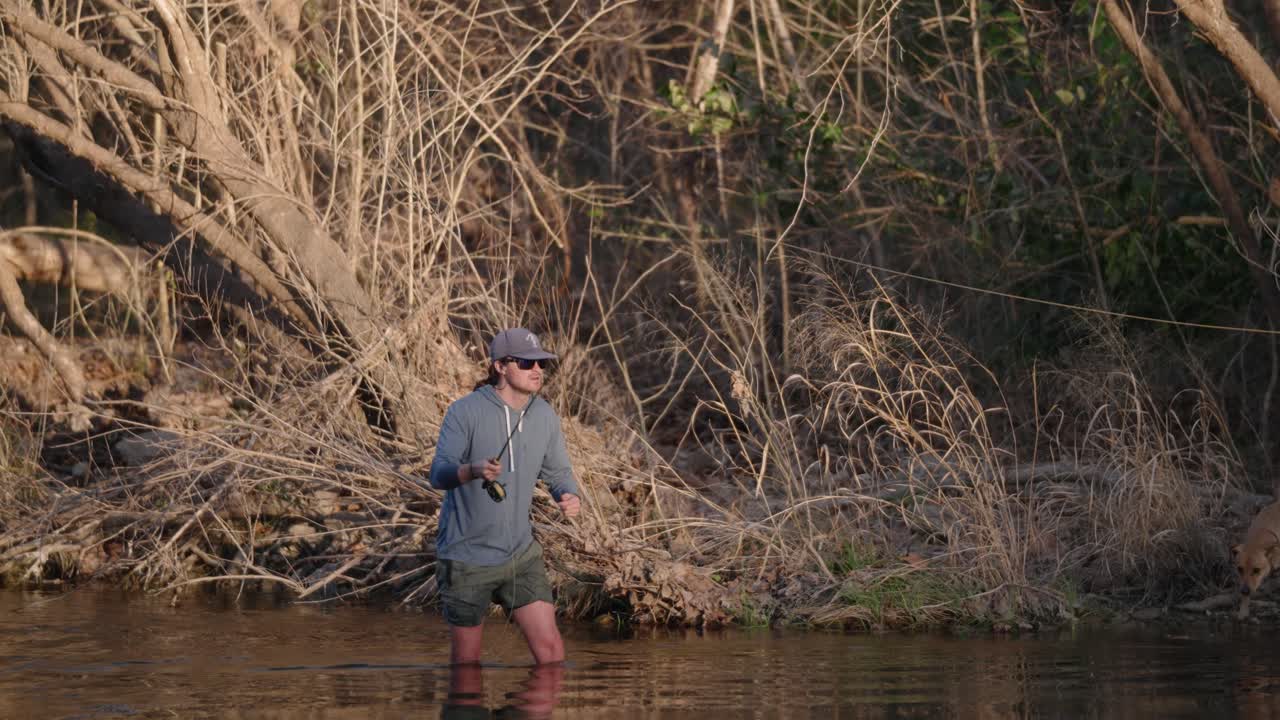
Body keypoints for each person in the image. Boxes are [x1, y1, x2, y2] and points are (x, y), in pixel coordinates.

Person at [428, 327, 582, 666]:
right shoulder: (464, 412)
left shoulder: (544, 415)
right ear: (500, 366)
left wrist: (568, 495)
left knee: (552, 656)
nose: (537, 370)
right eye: (526, 363)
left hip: (521, 556)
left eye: (541, 363)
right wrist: (472, 470)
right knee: (467, 668)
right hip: (466, 558)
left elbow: (558, 473)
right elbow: (438, 474)